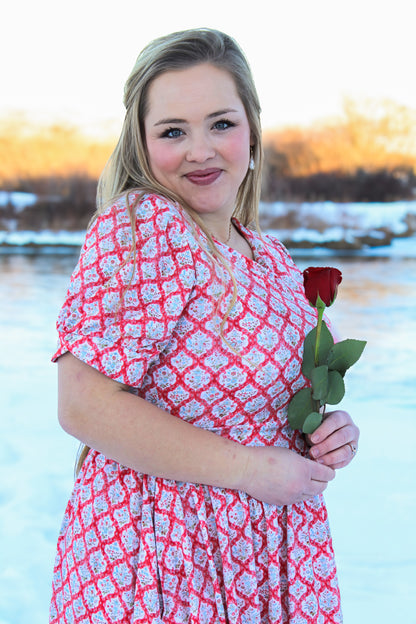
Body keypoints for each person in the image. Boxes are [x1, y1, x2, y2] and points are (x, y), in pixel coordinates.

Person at [49, 28, 359, 624]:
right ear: (142, 144)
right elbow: (83, 407)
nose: (201, 150)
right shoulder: (144, 227)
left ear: (252, 127)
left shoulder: (267, 255)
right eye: (173, 131)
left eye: (221, 123)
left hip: (268, 554)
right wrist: (250, 469)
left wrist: (329, 432)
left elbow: (262, 399)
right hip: (162, 558)